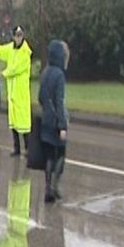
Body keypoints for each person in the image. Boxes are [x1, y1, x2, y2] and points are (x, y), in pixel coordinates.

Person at [0, 26, 32, 157]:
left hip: (21, 92)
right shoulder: (11, 49)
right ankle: (17, 148)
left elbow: (16, 69)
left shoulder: (25, 53)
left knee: (24, 122)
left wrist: (3, 74)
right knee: (14, 122)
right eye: (16, 35)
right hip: (12, 93)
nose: (18, 37)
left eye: (20, 35)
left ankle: (28, 148)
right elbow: (0, 50)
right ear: (13, 36)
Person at [38, 40, 70, 203]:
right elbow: (59, 101)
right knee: (61, 154)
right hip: (56, 120)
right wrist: (62, 125)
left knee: (49, 156)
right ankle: (54, 187)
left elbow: (40, 97)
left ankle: (47, 188)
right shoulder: (59, 75)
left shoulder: (45, 72)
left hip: (45, 119)